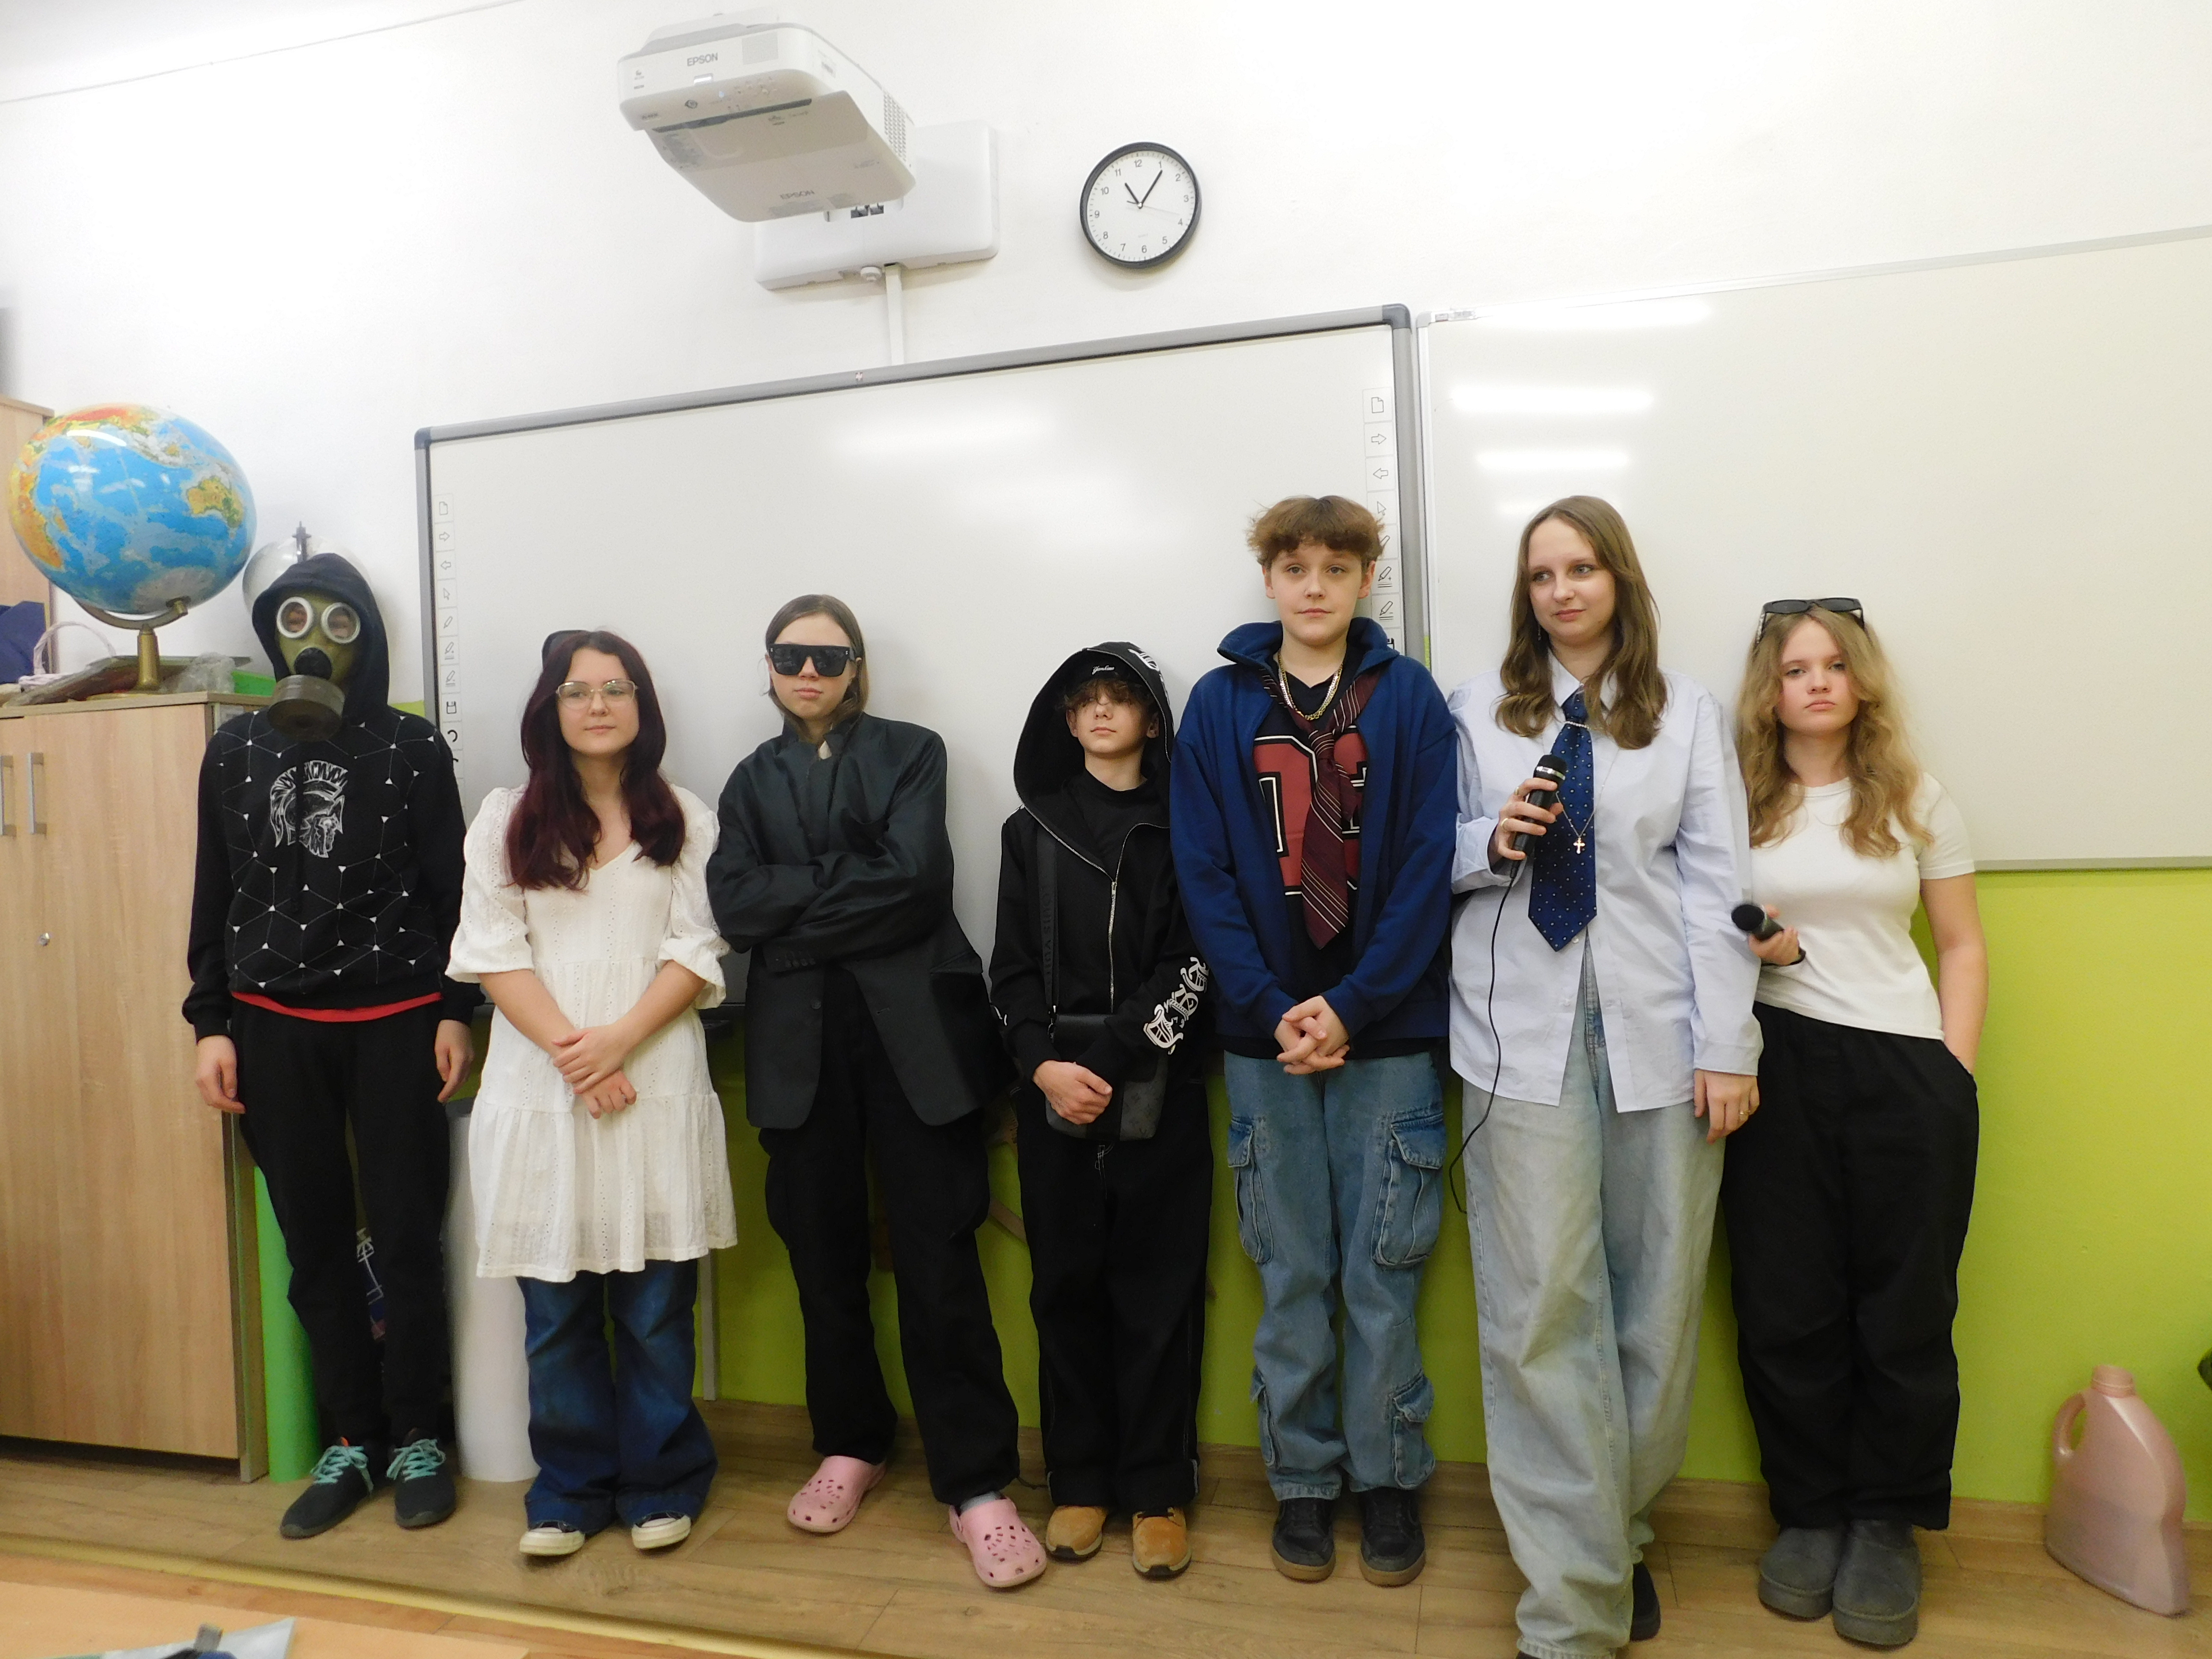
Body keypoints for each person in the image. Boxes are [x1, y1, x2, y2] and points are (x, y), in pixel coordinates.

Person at [1446, 496, 1761, 1659]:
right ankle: (1571, 1610)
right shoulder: (1475, 710)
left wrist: (1729, 1045)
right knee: (1542, 1310)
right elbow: (1424, 853)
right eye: (1542, 575)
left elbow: (1718, 887)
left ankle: (1613, 1535)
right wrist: (1489, 842)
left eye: (1582, 569)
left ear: (1619, 579)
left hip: (1660, 1037)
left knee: (1655, 1305)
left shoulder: (1685, 714)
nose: (1562, 592)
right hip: (1513, 1036)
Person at [705, 596, 1044, 1590]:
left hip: (919, 1048)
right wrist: (836, 891)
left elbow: (917, 881)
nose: (808, 672)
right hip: (796, 1053)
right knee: (823, 1260)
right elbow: (733, 906)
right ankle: (851, 1444)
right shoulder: (748, 778)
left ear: (856, 666)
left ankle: (977, 1488)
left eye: (828, 656)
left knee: (941, 1266)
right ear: (770, 668)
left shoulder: (913, 752)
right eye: (790, 656)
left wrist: (794, 918)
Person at [1171, 496, 1457, 1587]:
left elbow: (1427, 863)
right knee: (1291, 1273)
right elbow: (1202, 868)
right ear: (1270, 580)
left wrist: (1356, 1004)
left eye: (1337, 569)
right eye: (1295, 568)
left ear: (1365, 580)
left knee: (1382, 1275)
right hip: (1265, 1037)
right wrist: (1270, 1003)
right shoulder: (1219, 705)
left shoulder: (1409, 697)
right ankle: (1301, 1482)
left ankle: (1387, 1481)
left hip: (1385, 1033)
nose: (1315, 587)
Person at [185, 551, 472, 1540]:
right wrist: (210, 1023)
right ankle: (352, 1437)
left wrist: (455, 1009)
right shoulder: (233, 749)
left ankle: (420, 1435)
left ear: (368, 638)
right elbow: (214, 893)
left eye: (338, 623)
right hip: (273, 1026)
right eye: (296, 619)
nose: (314, 640)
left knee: (407, 1236)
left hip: (398, 1018)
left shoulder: (413, 746)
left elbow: (452, 891)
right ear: (272, 633)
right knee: (314, 1245)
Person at [1723, 601, 1985, 1649]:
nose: (1819, 682)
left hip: (1905, 1068)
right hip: (1775, 1064)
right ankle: (1811, 1513)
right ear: (1771, 690)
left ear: (1861, 680)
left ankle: (1887, 1521)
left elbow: (1961, 946)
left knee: (1905, 1309)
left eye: (1835, 664)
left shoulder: (1916, 797)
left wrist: (1952, 1075)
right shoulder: (1736, 802)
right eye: (1797, 669)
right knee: (1785, 1304)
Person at [448, 630, 735, 1559]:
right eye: (578, 691)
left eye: (616, 688)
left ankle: (662, 1481)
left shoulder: (683, 816)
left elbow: (697, 949)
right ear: (551, 709)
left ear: (642, 704)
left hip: (654, 1081)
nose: (598, 705)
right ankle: (568, 1491)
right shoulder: (506, 818)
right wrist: (580, 1057)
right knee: (555, 1316)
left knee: (655, 1313)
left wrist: (617, 1044)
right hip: (543, 1092)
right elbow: (493, 953)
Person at [989, 644, 1212, 1580]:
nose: (1103, 712)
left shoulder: (1187, 826)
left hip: (1162, 1088)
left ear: (1152, 719)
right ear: (1068, 719)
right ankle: (1079, 1481)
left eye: (1122, 698)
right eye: (1086, 700)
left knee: (1160, 1296)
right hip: (1053, 1098)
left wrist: (1111, 1058)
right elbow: (1010, 972)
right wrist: (1045, 1067)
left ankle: (1158, 1490)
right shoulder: (1029, 830)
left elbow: (1192, 963)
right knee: (1066, 1291)